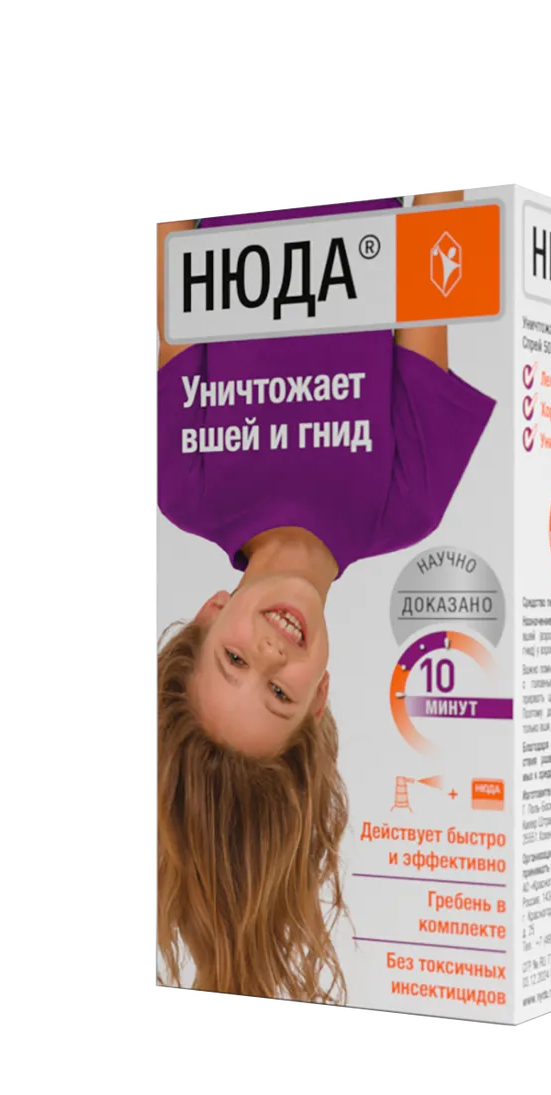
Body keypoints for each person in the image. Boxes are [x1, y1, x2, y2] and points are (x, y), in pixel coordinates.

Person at [155, 190, 497, 999]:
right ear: (320, 699)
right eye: (279, 693)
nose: (271, 654)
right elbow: (435, 227)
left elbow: (172, 234)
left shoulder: (185, 484)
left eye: (234, 660)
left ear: (210, 615)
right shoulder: (410, 499)